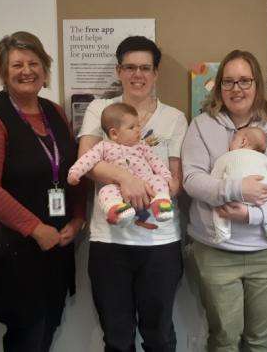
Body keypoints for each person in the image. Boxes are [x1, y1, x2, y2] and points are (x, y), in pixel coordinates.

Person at [0, 31, 87, 352]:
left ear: (45, 70)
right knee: (27, 334)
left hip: (56, 245)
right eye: (16, 64)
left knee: (49, 324)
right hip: (14, 249)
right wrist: (35, 229)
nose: (27, 71)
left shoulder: (54, 112)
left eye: (34, 63)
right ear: (3, 73)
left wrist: (77, 219)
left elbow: (73, 170)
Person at [182, 49, 267, 351]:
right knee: (223, 340)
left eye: (245, 81)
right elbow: (191, 179)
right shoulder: (201, 126)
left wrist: (255, 216)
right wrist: (235, 189)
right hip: (216, 251)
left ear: (257, 85)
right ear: (219, 86)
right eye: (228, 81)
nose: (237, 89)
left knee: (261, 341)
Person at [77, 36, 187, 351]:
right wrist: (127, 179)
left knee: (159, 336)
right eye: (129, 67)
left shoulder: (174, 118)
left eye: (145, 68)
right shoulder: (100, 110)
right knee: (117, 336)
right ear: (119, 71)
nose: (137, 75)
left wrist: (153, 193)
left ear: (155, 73)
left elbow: (176, 179)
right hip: (110, 243)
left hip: (160, 243)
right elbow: (86, 162)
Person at [68, 102, 174, 226]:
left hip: (146, 183)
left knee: (158, 180)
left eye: (138, 125)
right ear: (114, 133)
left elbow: (156, 162)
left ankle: (161, 206)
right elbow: (87, 159)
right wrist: (75, 172)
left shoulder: (142, 146)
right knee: (105, 191)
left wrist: (166, 177)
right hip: (118, 187)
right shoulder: (103, 146)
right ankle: (118, 212)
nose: (138, 130)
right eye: (132, 127)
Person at [209, 126, 267, 244]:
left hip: (232, 197)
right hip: (261, 197)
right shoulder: (265, 159)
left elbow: (213, 180)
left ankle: (223, 232)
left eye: (234, 139)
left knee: (218, 207)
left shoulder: (226, 157)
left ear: (243, 141)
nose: (230, 143)